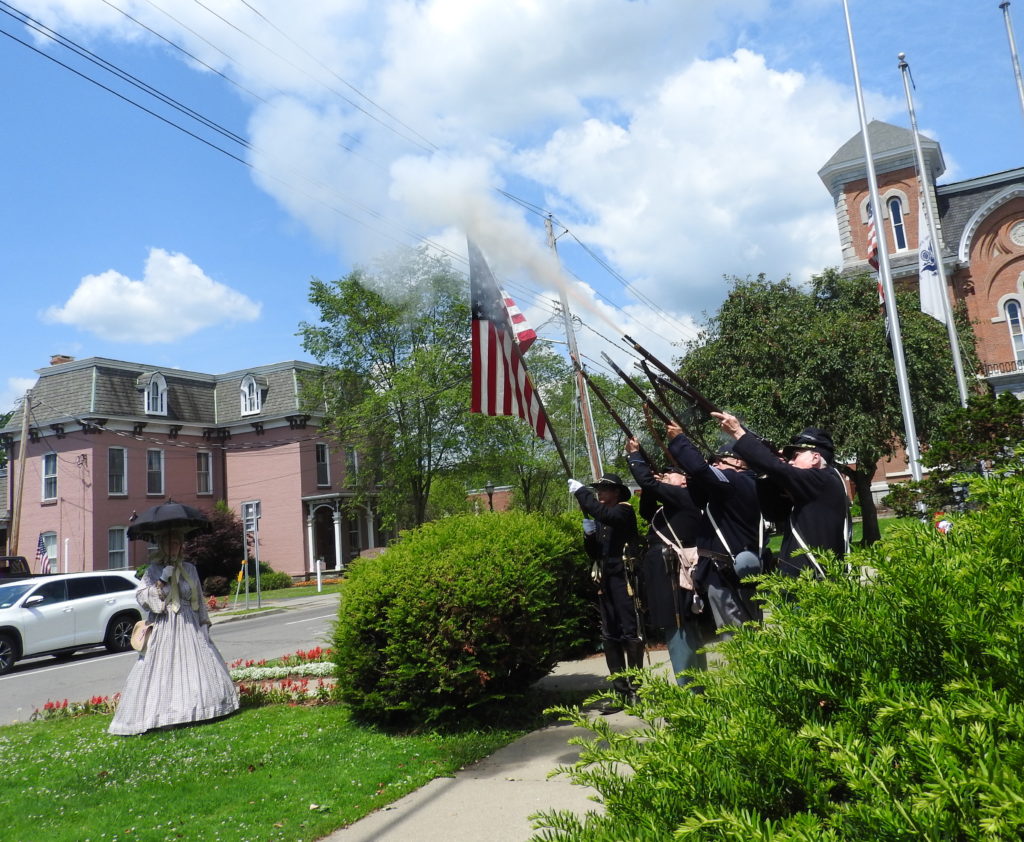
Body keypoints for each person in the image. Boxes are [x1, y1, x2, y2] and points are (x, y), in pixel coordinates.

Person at [109, 528, 239, 735]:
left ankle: (202, 708)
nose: (173, 547)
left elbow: (198, 596)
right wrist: (161, 579)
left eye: (176, 543)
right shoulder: (152, 571)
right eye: (169, 543)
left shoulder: (190, 568)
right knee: (163, 668)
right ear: (161, 546)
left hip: (189, 622)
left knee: (196, 667)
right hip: (165, 623)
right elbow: (142, 598)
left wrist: (204, 623)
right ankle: (163, 714)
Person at [715, 412, 850, 578]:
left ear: (815, 458)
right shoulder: (817, 484)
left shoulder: (822, 479)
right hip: (803, 578)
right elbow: (774, 512)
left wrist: (737, 432)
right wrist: (765, 472)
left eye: (795, 456)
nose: (791, 462)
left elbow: (780, 469)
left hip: (811, 581)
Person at [666, 423, 767, 633]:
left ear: (739, 462)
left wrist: (679, 440)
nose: (716, 466)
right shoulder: (740, 483)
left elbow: (701, 470)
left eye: (721, 461)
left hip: (726, 573)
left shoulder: (736, 480)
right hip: (728, 570)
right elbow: (700, 491)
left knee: (736, 636)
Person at [625, 440, 706, 689]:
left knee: (680, 632)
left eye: (669, 474)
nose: (664, 477)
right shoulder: (668, 508)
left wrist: (635, 457)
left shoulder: (685, 496)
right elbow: (647, 508)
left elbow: (648, 483)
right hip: (664, 575)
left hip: (674, 577)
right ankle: (696, 688)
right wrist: (652, 481)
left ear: (682, 480)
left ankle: (691, 692)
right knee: (679, 633)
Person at [569, 471, 644, 709]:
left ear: (616, 492)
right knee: (610, 635)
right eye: (597, 489)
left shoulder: (622, 510)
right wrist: (589, 536)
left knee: (630, 632)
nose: (599, 492)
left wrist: (582, 493)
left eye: (603, 489)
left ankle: (636, 690)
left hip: (624, 579)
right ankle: (620, 691)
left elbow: (604, 514)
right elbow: (595, 553)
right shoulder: (602, 516)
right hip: (606, 580)